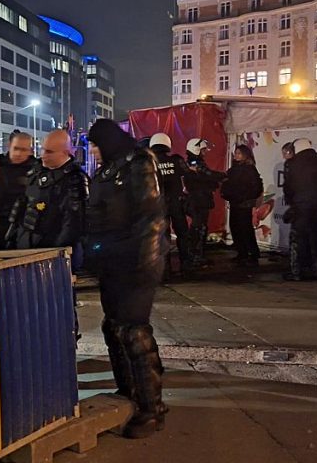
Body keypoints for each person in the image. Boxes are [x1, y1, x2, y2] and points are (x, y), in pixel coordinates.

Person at [85, 119, 168, 439]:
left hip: (136, 262)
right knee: (114, 327)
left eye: (96, 143)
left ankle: (152, 408)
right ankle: (128, 392)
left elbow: (151, 214)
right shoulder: (105, 170)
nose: (93, 150)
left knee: (134, 331)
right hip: (112, 262)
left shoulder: (139, 162)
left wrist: (145, 261)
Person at [8, 130, 88, 256]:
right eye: (43, 149)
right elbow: (22, 207)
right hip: (25, 247)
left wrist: (53, 255)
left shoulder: (74, 179)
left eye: (49, 152)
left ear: (65, 152)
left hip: (52, 254)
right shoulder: (36, 171)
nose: (43, 155)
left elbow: (72, 226)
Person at [282, 139, 317, 281]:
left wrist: (292, 203)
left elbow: (289, 187)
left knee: (298, 237)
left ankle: (297, 270)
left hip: (301, 205)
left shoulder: (292, 164)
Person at [149, 133, 192, 271]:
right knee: (182, 233)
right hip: (176, 203)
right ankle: (186, 263)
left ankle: (165, 268)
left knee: (163, 236)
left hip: (159, 205)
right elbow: (188, 174)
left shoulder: (150, 163)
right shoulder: (176, 160)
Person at [184, 138, 225, 265]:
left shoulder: (193, 162)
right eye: (202, 149)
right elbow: (209, 175)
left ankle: (195, 254)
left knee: (198, 226)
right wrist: (223, 176)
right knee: (199, 227)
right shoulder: (195, 162)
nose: (205, 152)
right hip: (198, 199)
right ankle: (196, 255)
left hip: (198, 199)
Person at [221, 145, 263, 267]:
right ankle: (242, 253)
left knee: (246, 229)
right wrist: (226, 194)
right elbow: (226, 182)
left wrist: (245, 197)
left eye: (239, 153)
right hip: (235, 202)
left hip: (244, 204)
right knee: (235, 227)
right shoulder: (233, 169)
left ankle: (252, 254)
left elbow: (256, 187)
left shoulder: (250, 169)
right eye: (235, 153)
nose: (236, 155)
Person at [0, 131, 38, 249]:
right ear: (9, 146)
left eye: (23, 150)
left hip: (25, 225)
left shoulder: (37, 169)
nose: (18, 153)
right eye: (16, 148)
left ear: (30, 150)